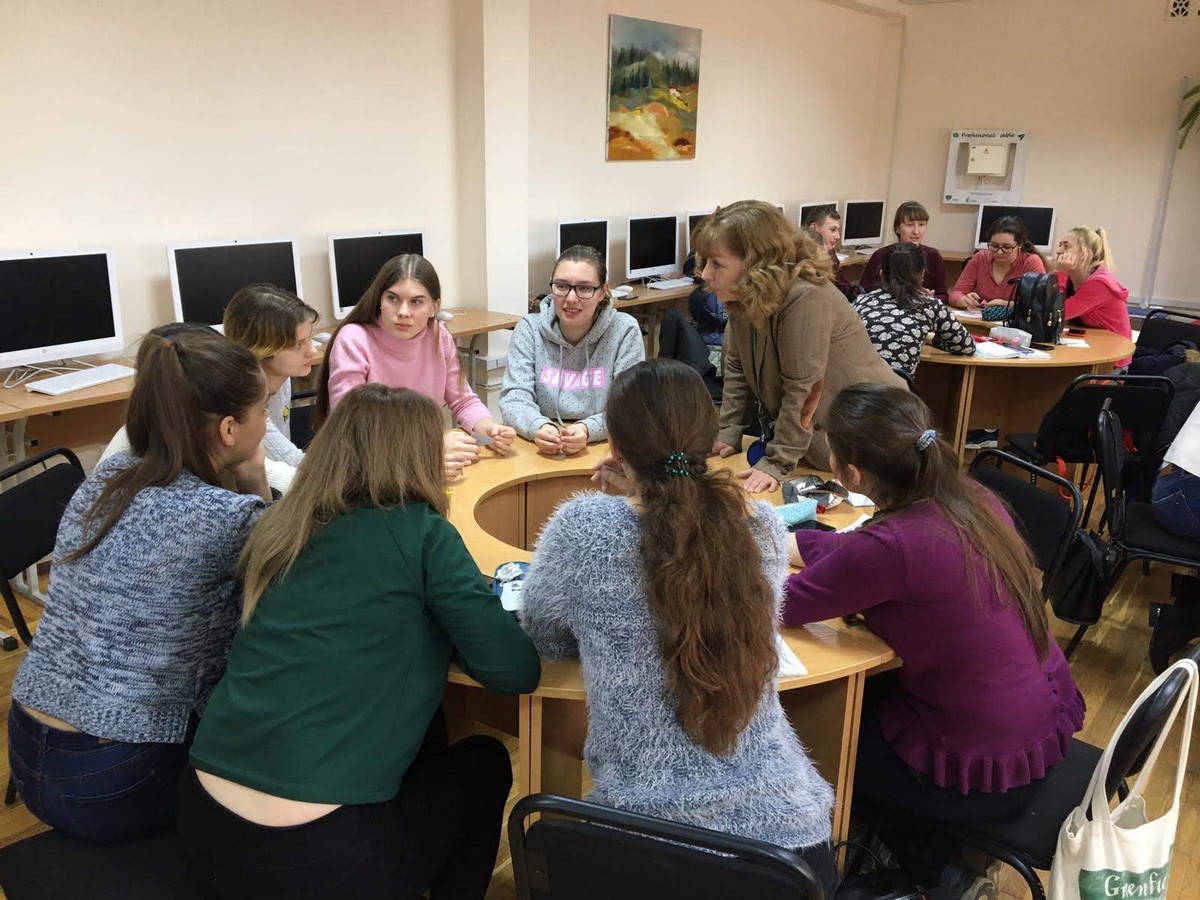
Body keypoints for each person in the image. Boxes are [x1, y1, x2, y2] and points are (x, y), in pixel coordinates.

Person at [179, 383, 541, 899]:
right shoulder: (421, 533)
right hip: (320, 858)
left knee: (428, 732)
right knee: (485, 761)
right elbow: (515, 670)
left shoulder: (279, 527)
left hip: (203, 822)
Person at [521, 360, 839, 894]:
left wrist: (623, 501)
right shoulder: (760, 526)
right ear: (710, 442)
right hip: (788, 853)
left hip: (648, 848)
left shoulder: (584, 529)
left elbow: (546, 635)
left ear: (615, 447)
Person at [782, 383, 1085, 891]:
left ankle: (929, 873)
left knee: (818, 738)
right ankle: (925, 850)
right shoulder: (969, 498)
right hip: (1036, 731)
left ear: (851, 473)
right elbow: (860, 554)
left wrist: (739, 553)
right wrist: (789, 540)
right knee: (865, 700)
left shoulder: (894, 546)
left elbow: (786, 603)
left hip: (984, 771)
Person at [8, 324, 271, 844]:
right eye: (263, 411)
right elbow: (283, 596)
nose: (267, 422)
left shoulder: (104, 481)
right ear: (227, 429)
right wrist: (256, 482)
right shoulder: (229, 518)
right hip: (114, 778)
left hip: (27, 750)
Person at [694, 200, 907, 492]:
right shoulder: (745, 294)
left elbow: (804, 388)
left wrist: (778, 460)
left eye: (717, 264)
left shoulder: (805, 295)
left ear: (755, 263)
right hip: (823, 438)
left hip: (871, 438)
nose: (705, 274)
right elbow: (737, 367)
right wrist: (728, 432)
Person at [317, 254, 515, 476]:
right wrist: (429, 452)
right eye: (393, 299)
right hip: (365, 469)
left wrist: (488, 428)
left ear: (434, 307)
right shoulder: (354, 339)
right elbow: (351, 429)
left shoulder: (439, 336)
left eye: (416, 302)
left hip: (417, 462)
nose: (403, 312)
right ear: (379, 300)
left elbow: (463, 401)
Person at [499, 245, 644, 456]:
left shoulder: (624, 330)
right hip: (540, 448)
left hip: (602, 447)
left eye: (584, 288)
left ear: (602, 292)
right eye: (561, 286)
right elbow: (513, 399)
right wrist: (538, 426)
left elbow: (631, 407)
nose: (571, 298)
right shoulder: (529, 329)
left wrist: (588, 429)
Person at [222, 283, 319, 467]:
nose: (312, 350)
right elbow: (298, 466)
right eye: (298, 345)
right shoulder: (243, 403)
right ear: (261, 350)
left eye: (310, 338)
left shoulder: (281, 376)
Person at [855, 242, 975, 378]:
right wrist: (930, 339)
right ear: (922, 274)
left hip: (853, 385)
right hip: (897, 388)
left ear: (881, 273)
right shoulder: (929, 305)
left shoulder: (861, 301)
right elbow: (966, 346)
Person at [1051, 226, 1133, 367]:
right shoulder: (1075, 279)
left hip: (1111, 364)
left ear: (1085, 254)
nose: (1059, 251)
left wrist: (1060, 271)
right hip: (1093, 347)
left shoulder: (1099, 283)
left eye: (1066, 246)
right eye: (1060, 245)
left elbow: (1055, 313)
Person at [859, 201, 949, 303]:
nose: (916, 231)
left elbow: (943, 296)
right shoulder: (880, 255)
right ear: (897, 228)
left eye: (921, 225)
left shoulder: (933, 256)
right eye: (909, 225)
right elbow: (863, 292)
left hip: (921, 308)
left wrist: (929, 298)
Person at [953, 215, 1047, 310]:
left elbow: (1040, 303)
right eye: (994, 246)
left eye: (1007, 247)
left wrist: (1005, 304)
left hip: (1015, 319)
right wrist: (963, 300)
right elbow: (956, 293)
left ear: (1019, 245)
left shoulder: (1031, 262)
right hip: (980, 316)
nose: (999, 252)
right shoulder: (980, 257)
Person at [803, 205, 855, 301]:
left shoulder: (830, 251)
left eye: (837, 230)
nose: (838, 236)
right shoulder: (801, 255)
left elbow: (840, 282)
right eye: (832, 230)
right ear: (813, 227)